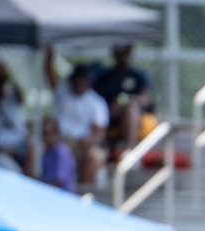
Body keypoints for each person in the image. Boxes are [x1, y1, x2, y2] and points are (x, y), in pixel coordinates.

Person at [44, 50, 109, 189]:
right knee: (57, 151)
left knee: (93, 156)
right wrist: (50, 53)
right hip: (61, 141)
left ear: (88, 82)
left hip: (82, 144)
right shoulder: (63, 92)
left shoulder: (96, 102)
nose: (79, 82)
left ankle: (84, 194)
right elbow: (48, 72)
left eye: (83, 79)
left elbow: (100, 134)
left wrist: (89, 141)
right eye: (77, 79)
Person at [93, 44, 153, 157]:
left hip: (133, 118)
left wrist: (122, 101)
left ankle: (130, 151)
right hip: (107, 115)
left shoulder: (138, 76)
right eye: (119, 53)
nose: (122, 57)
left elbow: (145, 99)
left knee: (131, 108)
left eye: (125, 52)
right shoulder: (105, 76)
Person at [39, 115, 77, 193]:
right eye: (43, 133)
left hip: (63, 198)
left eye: (47, 133)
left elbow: (59, 182)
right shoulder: (47, 152)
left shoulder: (61, 153)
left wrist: (41, 191)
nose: (44, 137)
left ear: (56, 134)